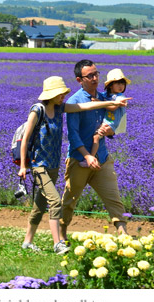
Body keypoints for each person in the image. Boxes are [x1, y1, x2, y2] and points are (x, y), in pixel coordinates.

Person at [18, 75, 128, 254]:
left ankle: (27, 242)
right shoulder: (37, 111)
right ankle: (58, 243)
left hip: (53, 165)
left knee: (40, 204)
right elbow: (25, 140)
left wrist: (111, 105)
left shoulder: (61, 108)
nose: (63, 96)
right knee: (55, 202)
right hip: (38, 165)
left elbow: (84, 106)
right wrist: (23, 166)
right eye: (60, 93)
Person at [60, 60, 130, 241]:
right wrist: (87, 156)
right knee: (69, 201)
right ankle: (60, 235)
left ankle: (123, 236)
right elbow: (73, 136)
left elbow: (114, 123)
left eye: (96, 74)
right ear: (79, 79)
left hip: (102, 158)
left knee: (113, 199)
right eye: (89, 76)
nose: (94, 78)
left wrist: (111, 131)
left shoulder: (104, 98)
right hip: (79, 160)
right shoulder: (74, 102)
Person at [84, 68, 131, 165]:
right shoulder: (106, 95)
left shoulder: (120, 97)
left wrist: (99, 103)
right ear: (110, 86)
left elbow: (113, 107)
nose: (121, 86)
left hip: (112, 124)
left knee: (96, 137)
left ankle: (91, 160)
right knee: (93, 135)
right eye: (118, 83)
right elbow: (100, 96)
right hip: (106, 122)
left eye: (122, 83)